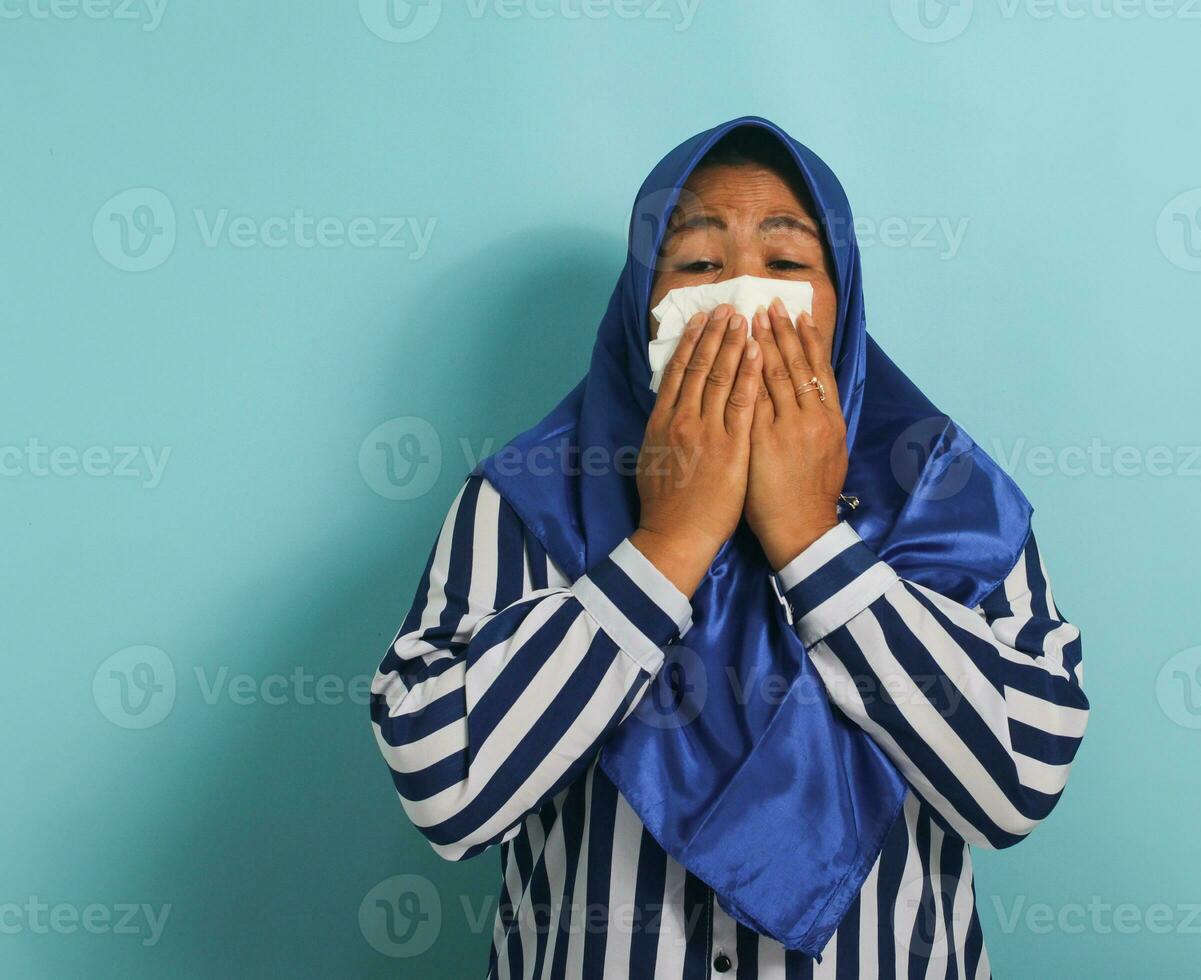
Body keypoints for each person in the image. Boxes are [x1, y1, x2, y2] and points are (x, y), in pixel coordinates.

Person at [370, 117, 1089, 979]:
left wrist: (813, 544)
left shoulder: (945, 494)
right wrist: (667, 544)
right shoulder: (526, 497)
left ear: (844, 303)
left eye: (786, 266)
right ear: (643, 306)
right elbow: (446, 790)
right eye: (700, 266)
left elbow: (1018, 783)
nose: (745, 296)